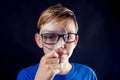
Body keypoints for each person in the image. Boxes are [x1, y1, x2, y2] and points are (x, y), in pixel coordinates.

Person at [17, 4, 98, 80]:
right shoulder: (26, 75)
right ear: (39, 41)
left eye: (68, 37)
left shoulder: (87, 74)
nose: (60, 45)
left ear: (75, 41)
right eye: (50, 37)